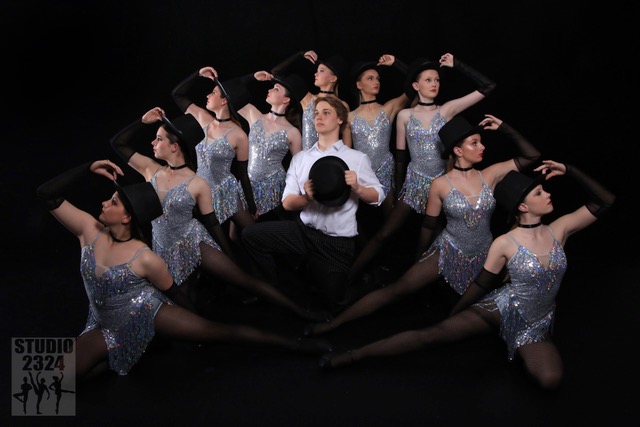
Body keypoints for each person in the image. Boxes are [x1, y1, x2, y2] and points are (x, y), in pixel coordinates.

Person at [319, 160, 615, 390]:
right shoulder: (505, 243)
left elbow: (605, 201)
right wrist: (455, 314)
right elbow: (482, 284)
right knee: (431, 336)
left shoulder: (560, 229)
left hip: (535, 323)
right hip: (500, 307)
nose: (548, 194)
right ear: (523, 206)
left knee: (550, 380)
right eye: (539, 192)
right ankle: (352, 355)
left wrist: (570, 170)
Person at [35, 159, 332, 380]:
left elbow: (176, 294)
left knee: (220, 333)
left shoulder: (145, 257)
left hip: (145, 310)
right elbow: (47, 194)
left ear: (127, 218)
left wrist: (198, 326)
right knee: (60, 377)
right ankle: (143, 345)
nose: (103, 203)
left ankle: (296, 345)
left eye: (112, 202)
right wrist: (87, 168)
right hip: (105, 324)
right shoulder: (88, 230)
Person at [305, 114, 540, 335]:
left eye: (480, 142)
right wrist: (420, 257)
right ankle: (334, 323)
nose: (482, 147)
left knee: (466, 315)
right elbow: (428, 225)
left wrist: (504, 128)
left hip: (485, 254)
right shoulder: (440, 184)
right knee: (397, 290)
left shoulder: (491, 174)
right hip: (449, 249)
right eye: (475, 143)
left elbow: (532, 155)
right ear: (458, 150)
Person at [109, 107, 329, 321]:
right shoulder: (150, 169)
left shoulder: (197, 183)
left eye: (159, 139)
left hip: (193, 240)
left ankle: (301, 311)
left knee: (243, 280)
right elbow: (118, 143)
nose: (152, 143)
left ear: (174, 147)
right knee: (182, 305)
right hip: (164, 248)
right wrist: (142, 121)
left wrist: (228, 254)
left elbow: (212, 223)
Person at [346, 52, 496, 286]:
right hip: (415, 182)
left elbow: (488, 86)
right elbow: (400, 157)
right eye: (428, 80)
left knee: (437, 237)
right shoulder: (405, 115)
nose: (434, 84)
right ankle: (349, 278)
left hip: (443, 183)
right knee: (386, 233)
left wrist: (458, 64)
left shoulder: (446, 110)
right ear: (416, 85)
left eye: (437, 80)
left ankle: (423, 284)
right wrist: (398, 190)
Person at [241, 96, 384, 311]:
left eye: (326, 113)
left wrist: (358, 187)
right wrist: (306, 198)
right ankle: (273, 292)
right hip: (303, 233)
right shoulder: (301, 158)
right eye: (316, 113)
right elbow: (287, 203)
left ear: (340, 120)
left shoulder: (356, 158)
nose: (319, 117)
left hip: (336, 242)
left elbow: (379, 196)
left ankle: (368, 282)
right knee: (251, 236)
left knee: (334, 305)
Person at [171, 67, 256, 242]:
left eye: (213, 93)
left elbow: (243, 174)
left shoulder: (238, 134)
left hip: (227, 191)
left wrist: (252, 206)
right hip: (204, 194)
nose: (208, 95)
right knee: (224, 242)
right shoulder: (203, 118)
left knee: (253, 234)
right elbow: (178, 95)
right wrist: (198, 74)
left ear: (224, 100)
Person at [348, 54, 411, 244]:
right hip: (361, 172)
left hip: (385, 169)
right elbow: (347, 152)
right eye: (370, 78)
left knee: (389, 220)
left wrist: (396, 63)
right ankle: (362, 255)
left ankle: (387, 256)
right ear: (358, 84)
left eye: (377, 78)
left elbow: (415, 86)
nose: (376, 82)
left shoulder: (388, 108)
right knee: (353, 218)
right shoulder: (350, 116)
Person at [237, 72, 306, 221]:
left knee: (265, 227)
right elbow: (231, 91)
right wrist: (252, 77)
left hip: (273, 189)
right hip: (247, 185)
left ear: (286, 99)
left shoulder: (292, 132)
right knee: (241, 230)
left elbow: (299, 169)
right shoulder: (254, 115)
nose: (269, 90)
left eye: (276, 89)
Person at [267, 49, 352, 149]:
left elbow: (347, 141)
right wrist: (300, 55)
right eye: (317, 71)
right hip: (308, 157)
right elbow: (276, 73)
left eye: (321, 71)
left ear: (333, 78)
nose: (316, 74)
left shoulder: (342, 105)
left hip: (332, 156)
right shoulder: (308, 99)